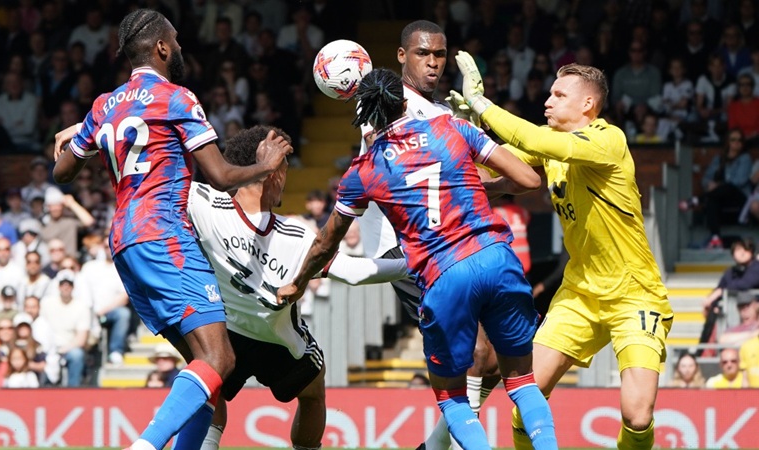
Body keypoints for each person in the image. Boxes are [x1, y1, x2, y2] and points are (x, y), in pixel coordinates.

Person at [278, 68, 557, 450]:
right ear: (404, 100)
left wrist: (298, 281)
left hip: (443, 274)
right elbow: (527, 180)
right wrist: (474, 188)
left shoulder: (365, 170)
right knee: (522, 382)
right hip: (496, 257)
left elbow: (326, 243)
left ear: (367, 117)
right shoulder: (451, 127)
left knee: (453, 398)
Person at [51, 9, 291, 450]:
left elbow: (63, 171)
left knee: (208, 373)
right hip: (164, 234)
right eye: (176, 41)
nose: (180, 48)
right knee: (219, 358)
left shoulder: (104, 104)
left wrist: (66, 140)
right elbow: (218, 175)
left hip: (123, 241)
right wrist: (264, 165)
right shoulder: (177, 98)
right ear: (162, 47)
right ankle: (145, 445)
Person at [454, 54, 673, 450]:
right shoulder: (551, 145)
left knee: (637, 415)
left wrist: (484, 106)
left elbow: (537, 141)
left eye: (559, 94)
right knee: (525, 394)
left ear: (587, 104)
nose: (547, 101)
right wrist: (465, 133)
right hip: (579, 293)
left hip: (634, 294)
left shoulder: (609, 140)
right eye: (549, 93)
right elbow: (494, 170)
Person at [188, 125, 408, 450]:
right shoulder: (297, 235)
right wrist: (413, 264)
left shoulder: (202, 204)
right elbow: (352, 272)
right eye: (286, 168)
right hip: (278, 340)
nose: (286, 178)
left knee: (210, 381)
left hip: (223, 331)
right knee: (313, 392)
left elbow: (160, 185)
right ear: (272, 171)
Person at [358, 24, 505, 448]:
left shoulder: (439, 109)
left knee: (493, 359)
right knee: (476, 353)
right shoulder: (383, 101)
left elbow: (467, 173)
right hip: (403, 244)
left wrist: (468, 118)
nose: (435, 63)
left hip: (446, 242)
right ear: (402, 56)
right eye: (424, 54)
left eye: (440, 54)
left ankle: (435, 446)